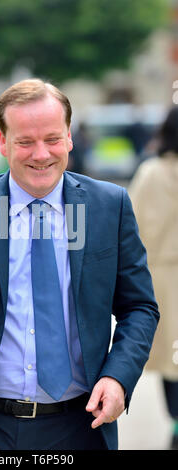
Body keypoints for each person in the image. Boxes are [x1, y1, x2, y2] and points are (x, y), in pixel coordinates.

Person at [0, 78, 159, 451]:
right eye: (25, 141)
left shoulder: (109, 206)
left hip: (80, 428)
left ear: (69, 137)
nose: (41, 154)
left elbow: (140, 307)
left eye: (52, 139)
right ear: (3, 142)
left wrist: (118, 377)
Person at [129, 106, 178, 450]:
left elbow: (131, 234)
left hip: (163, 280)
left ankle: (176, 424)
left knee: (171, 364)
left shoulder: (151, 174)